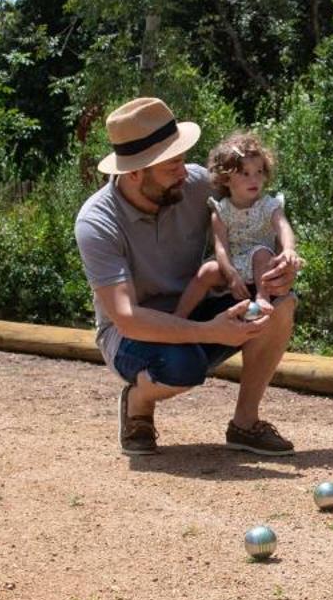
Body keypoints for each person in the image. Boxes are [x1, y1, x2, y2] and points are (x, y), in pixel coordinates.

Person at [74, 96, 303, 457]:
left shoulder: (194, 185)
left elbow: (255, 213)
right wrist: (210, 331)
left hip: (194, 308)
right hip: (131, 337)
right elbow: (127, 317)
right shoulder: (97, 222)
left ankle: (245, 424)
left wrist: (279, 267)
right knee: (183, 367)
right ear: (134, 173)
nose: (185, 171)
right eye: (173, 165)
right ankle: (138, 401)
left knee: (281, 303)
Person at [175, 131, 297, 319]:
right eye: (245, 174)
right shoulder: (221, 210)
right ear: (226, 179)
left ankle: (262, 297)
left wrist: (288, 249)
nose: (254, 179)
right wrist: (231, 275)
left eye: (259, 172)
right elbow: (221, 247)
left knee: (261, 253)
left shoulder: (269, 205)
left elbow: (283, 227)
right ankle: (179, 316)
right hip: (232, 265)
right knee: (206, 271)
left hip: (262, 264)